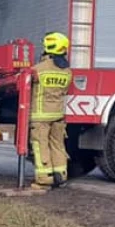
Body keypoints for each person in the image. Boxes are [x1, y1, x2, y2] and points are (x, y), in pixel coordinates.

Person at [30, 32, 73, 190]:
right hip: (58, 115)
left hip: (40, 115)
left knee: (40, 146)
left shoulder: (37, 70)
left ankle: (44, 179)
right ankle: (60, 176)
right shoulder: (67, 71)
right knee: (58, 145)